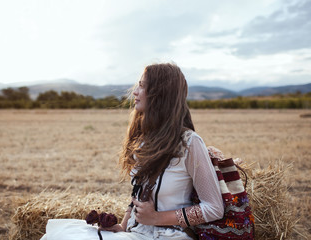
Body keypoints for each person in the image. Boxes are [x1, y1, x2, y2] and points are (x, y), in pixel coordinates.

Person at [40, 63, 224, 240]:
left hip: (168, 236)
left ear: (160, 95)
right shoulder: (144, 139)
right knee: (52, 235)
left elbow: (214, 208)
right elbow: (138, 194)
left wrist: (157, 218)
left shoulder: (190, 143)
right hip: (137, 234)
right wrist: (122, 225)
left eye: (142, 87)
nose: (135, 92)